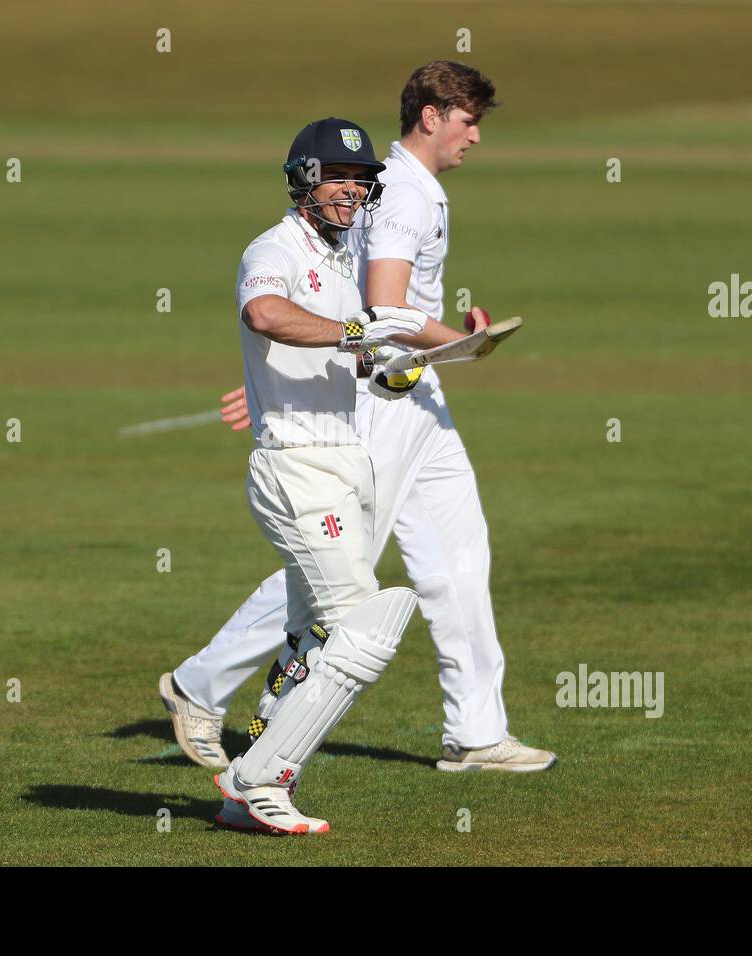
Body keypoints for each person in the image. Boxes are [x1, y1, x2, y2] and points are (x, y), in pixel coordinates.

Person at [161, 61, 558, 776]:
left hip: (414, 392)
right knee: (338, 582)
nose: (475, 137)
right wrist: (427, 348)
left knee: (460, 559)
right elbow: (376, 310)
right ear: (431, 114)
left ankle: (475, 731)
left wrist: (457, 344)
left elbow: (355, 309)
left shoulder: (395, 187)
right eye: (469, 120)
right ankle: (207, 688)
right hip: (386, 403)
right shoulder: (405, 192)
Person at [209, 115, 430, 834]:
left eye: (363, 183)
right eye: (339, 179)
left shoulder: (341, 265)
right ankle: (257, 780)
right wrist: (356, 331)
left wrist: (389, 366)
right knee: (365, 628)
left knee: (310, 640)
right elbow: (264, 312)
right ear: (304, 179)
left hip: (344, 460)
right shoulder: (274, 249)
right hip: (296, 464)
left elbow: (358, 360)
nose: (352, 193)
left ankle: (256, 770)